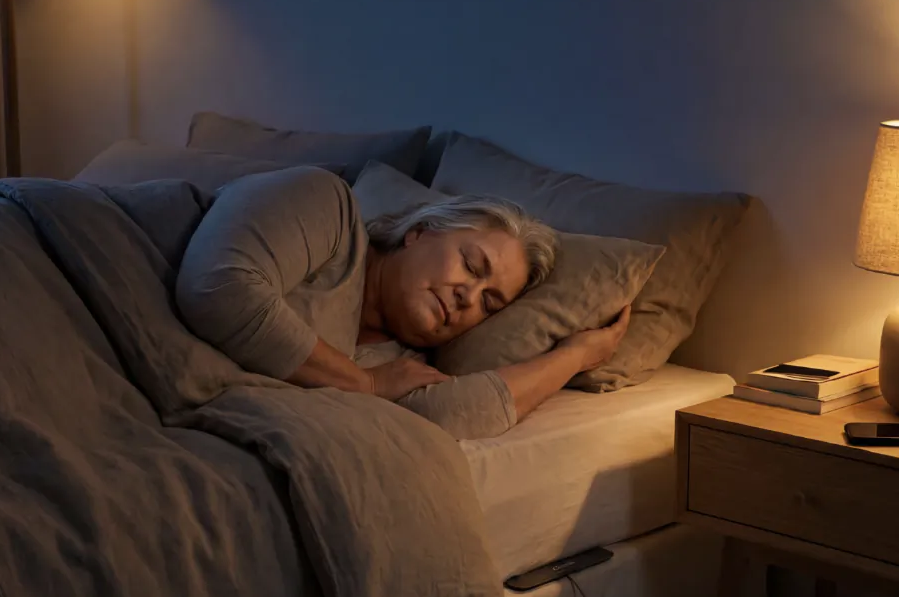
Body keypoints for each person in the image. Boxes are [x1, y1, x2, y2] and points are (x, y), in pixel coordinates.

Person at [176, 167, 628, 439]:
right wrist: (364, 384)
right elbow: (218, 289)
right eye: (471, 266)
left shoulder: (398, 364)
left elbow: (453, 415)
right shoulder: (327, 208)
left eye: (489, 304)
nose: (468, 297)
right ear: (420, 231)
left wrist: (576, 355)